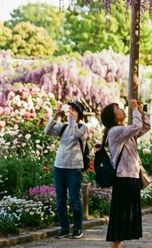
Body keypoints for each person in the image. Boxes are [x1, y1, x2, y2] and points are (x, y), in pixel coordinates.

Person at [101, 100, 151, 248]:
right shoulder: (115, 131)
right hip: (123, 178)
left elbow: (145, 127)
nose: (122, 109)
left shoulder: (124, 131)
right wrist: (134, 109)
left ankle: (118, 246)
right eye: (117, 108)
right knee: (120, 220)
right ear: (112, 116)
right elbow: (136, 126)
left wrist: (141, 112)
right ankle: (116, 246)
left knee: (125, 219)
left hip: (131, 177)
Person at [45, 101, 89, 239]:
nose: (70, 112)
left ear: (79, 113)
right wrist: (56, 116)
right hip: (59, 167)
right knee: (60, 200)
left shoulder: (83, 127)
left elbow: (76, 134)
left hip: (74, 168)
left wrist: (71, 119)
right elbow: (47, 131)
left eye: (74, 110)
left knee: (75, 200)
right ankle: (64, 228)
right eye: (70, 109)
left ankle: (77, 228)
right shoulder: (63, 127)